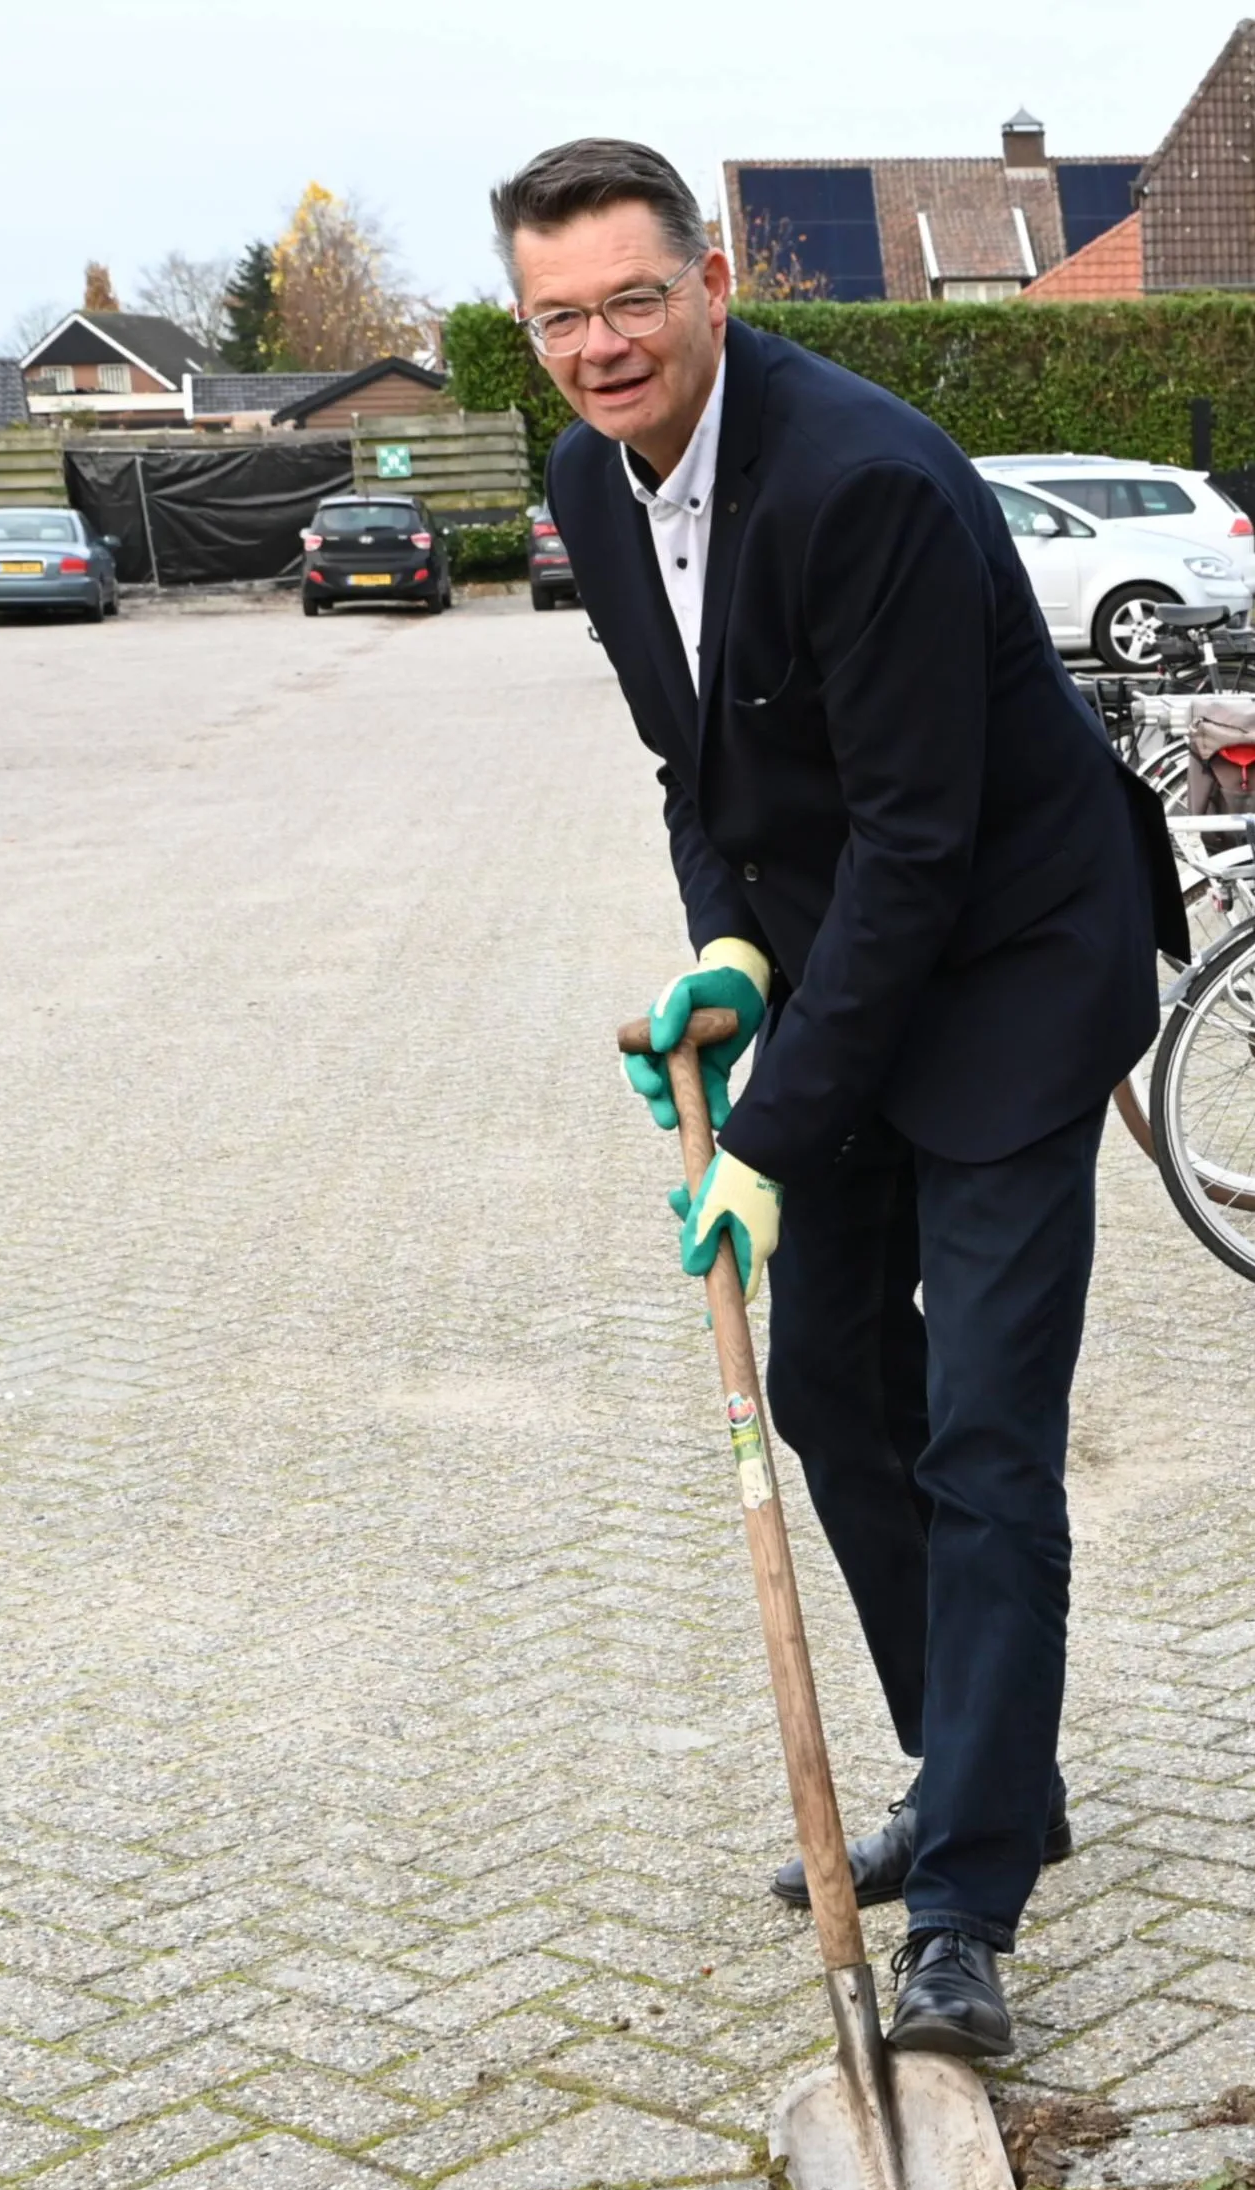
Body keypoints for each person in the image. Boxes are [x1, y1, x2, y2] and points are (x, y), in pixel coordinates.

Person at [496, 137, 1183, 2059]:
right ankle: (988, 1766)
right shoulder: (592, 485)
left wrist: (777, 1134)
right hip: (846, 977)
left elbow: (914, 842)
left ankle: (968, 1894)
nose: (603, 344)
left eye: (635, 297)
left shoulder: (863, 480)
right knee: (827, 1393)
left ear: (712, 279)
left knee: (982, 1434)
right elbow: (695, 770)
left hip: (1016, 971)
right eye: (561, 316)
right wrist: (724, 953)